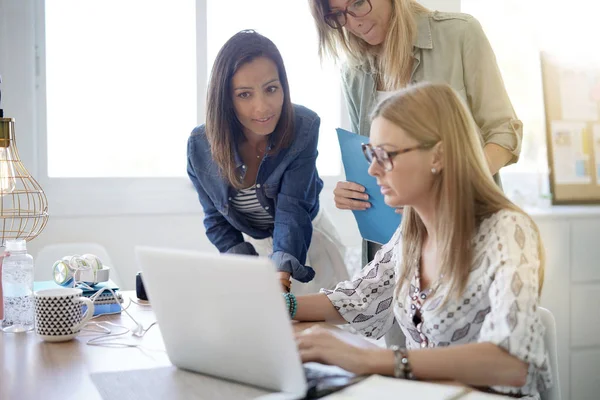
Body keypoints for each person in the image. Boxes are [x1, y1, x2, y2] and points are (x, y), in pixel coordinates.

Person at [283, 83, 551, 398]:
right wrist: (281, 305)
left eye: (384, 155)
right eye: (371, 153)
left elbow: (511, 363)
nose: (372, 169)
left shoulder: (508, 230)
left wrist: (373, 359)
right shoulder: (412, 230)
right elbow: (359, 299)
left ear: (437, 155)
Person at [308, 0, 523, 262]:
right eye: (337, 15)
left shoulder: (460, 35)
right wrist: (353, 192)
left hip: (460, 238)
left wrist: (452, 183)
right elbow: (371, 158)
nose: (353, 22)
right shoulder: (353, 71)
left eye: (358, 3)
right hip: (391, 253)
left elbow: (504, 133)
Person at [187, 30, 348, 295]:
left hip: (309, 242)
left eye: (271, 89)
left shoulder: (303, 127)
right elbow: (216, 219)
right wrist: (245, 271)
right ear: (225, 98)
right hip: (256, 246)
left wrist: (281, 277)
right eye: (245, 95)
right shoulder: (200, 146)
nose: (262, 108)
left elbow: (292, 210)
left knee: (319, 330)